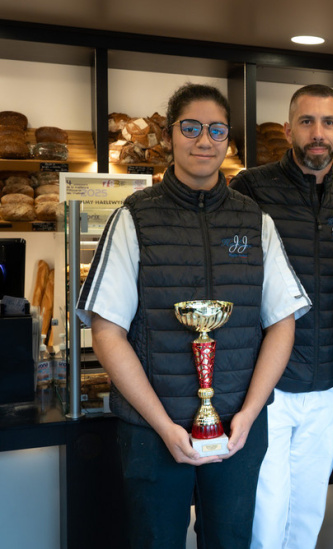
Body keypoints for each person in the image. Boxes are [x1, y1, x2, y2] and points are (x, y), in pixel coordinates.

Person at [76, 83, 311, 549]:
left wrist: (250, 412)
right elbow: (107, 330)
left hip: (236, 431)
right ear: (170, 136)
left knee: (230, 541)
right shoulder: (134, 218)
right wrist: (162, 424)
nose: (204, 140)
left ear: (228, 140)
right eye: (191, 127)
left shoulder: (254, 221)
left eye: (217, 129)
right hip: (151, 430)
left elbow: (283, 321)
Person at [229, 84, 333, 549]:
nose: (317, 134)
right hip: (269, 390)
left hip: (328, 386)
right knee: (265, 516)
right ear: (287, 130)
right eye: (306, 122)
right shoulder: (249, 188)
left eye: (327, 123)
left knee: (307, 516)